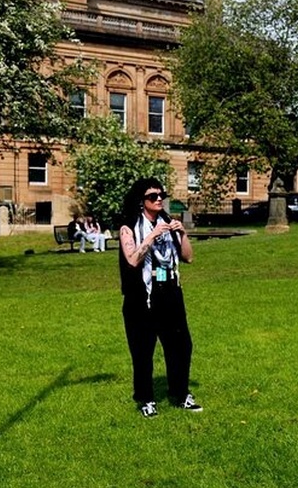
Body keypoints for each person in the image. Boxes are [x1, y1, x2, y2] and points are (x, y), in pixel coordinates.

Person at [118, 177, 201, 418]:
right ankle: (146, 399)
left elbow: (189, 258)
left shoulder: (168, 224)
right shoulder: (129, 227)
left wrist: (182, 233)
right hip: (142, 295)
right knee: (143, 349)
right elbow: (132, 260)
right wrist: (152, 236)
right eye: (152, 196)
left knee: (181, 345)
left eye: (161, 195)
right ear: (141, 201)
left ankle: (181, 393)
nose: (158, 200)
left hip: (170, 290)